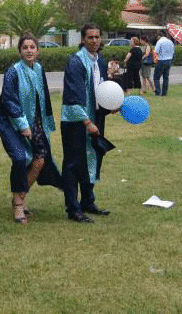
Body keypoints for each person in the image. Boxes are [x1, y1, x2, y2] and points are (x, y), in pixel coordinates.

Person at [0, 34, 62, 225]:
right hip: (10, 121)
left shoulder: (38, 68)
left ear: (38, 51)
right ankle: (18, 205)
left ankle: (19, 198)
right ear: (20, 52)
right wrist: (22, 125)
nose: (29, 50)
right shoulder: (13, 71)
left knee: (39, 160)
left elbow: (43, 97)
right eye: (25, 47)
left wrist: (44, 122)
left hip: (34, 121)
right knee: (20, 158)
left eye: (32, 47)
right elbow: (9, 100)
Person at [61, 23, 113, 222]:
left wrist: (110, 106)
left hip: (95, 117)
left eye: (97, 37)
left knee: (93, 158)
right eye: (90, 37)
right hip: (76, 120)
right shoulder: (76, 62)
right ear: (83, 40)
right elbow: (73, 95)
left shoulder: (100, 62)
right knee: (74, 164)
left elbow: (102, 90)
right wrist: (86, 121)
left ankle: (88, 202)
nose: (94, 40)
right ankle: (73, 208)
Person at [153, 30, 176, 96]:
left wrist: (155, 60)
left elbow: (156, 52)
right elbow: (173, 52)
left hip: (161, 60)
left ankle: (158, 91)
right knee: (166, 77)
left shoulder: (159, 42)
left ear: (159, 36)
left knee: (156, 77)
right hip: (168, 60)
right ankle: (164, 92)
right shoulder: (170, 42)